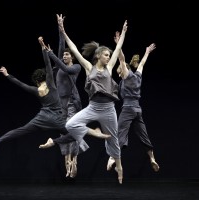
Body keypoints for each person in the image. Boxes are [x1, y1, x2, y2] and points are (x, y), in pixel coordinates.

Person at [39, 14, 128, 184]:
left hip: (108, 109)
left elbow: (118, 49)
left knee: (114, 138)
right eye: (106, 55)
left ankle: (119, 165)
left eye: (109, 55)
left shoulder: (110, 67)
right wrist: (62, 30)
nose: (109, 57)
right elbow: (72, 47)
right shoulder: (88, 67)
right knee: (71, 124)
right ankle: (93, 132)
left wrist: (123, 33)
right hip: (93, 107)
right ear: (99, 56)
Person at [40, 35, 109, 178]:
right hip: (61, 104)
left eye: (66, 55)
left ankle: (75, 159)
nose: (64, 56)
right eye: (63, 55)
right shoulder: (58, 67)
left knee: (73, 128)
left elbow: (64, 67)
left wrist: (54, 48)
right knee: (64, 131)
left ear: (71, 57)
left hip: (72, 102)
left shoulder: (76, 67)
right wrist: (56, 33)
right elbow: (58, 49)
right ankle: (67, 160)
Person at [107, 31, 159, 172]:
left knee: (119, 132)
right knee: (144, 135)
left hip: (128, 109)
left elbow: (122, 59)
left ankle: (112, 157)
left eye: (120, 72)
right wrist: (147, 52)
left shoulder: (127, 76)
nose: (119, 74)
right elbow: (142, 63)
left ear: (125, 71)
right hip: (138, 110)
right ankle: (152, 158)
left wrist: (118, 44)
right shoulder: (138, 76)